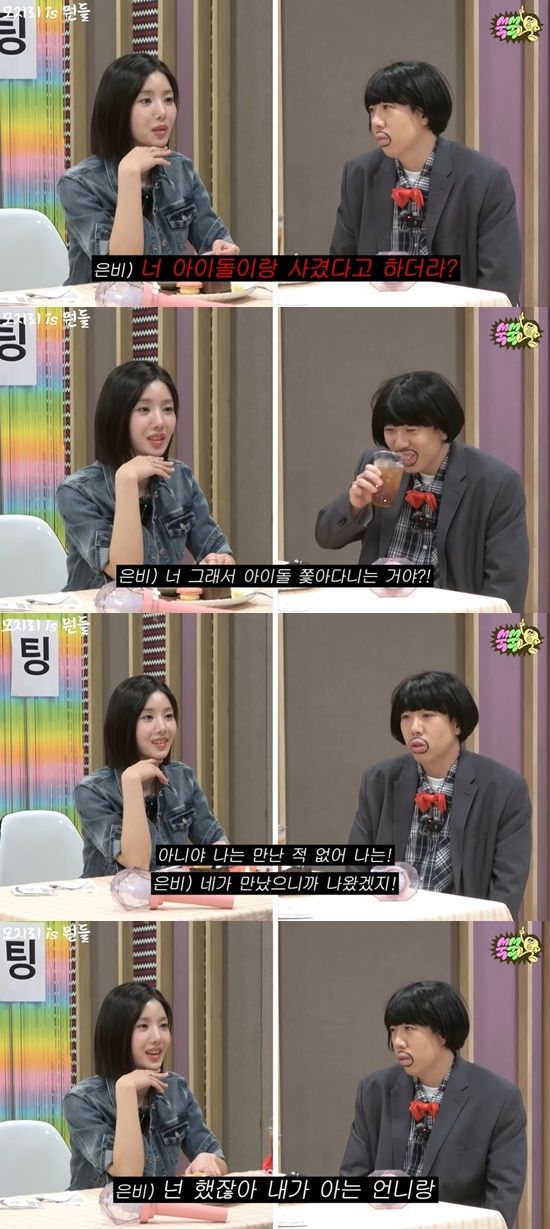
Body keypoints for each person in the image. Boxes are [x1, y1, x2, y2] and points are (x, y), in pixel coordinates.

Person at [315, 370, 529, 610]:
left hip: (449, 618)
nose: (399, 443)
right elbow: (326, 538)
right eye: (390, 430)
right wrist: (354, 505)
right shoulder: (379, 464)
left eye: (411, 431)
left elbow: (506, 587)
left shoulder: (495, 483)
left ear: (442, 430)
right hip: (379, 612)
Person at [340, 980, 526, 1229]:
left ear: (442, 1033)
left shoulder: (498, 1098)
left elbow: (500, 1201)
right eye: (393, 1030)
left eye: (409, 1028)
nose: (398, 1041)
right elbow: (352, 1181)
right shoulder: (374, 1090)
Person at [330, 61, 521, 303]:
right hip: (378, 316)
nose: (376, 121)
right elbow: (341, 269)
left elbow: (499, 284)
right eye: (372, 110)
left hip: (454, 318)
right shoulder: (358, 175)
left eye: (387, 107)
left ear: (423, 114)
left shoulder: (485, 179)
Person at [348, 671, 531, 917]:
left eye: (427, 715)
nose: (414, 728)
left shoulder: (504, 788)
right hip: (389, 920)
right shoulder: (378, 780)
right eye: (406, 717)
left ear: (457, 724)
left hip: (459, 924)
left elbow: (507, 888)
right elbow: (357, 869)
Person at [58, 54, 239, 284]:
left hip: (164, 301)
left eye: (169, 99)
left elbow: (216, 241)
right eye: (146, 101)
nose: (162, 112)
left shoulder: (180, 170)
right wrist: (129, 174)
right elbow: (121, 274)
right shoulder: (79, 184)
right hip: (97, 305)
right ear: (117, 108)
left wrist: (224, 251)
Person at [56, 360, 234, 591]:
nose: (160, 422)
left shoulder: (179, 477)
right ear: (117, 416)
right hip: (97, 611)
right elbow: (126, 573)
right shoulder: (77, 492)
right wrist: (127, 480)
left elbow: (218, 550)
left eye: (168, 409)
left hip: (163, 608)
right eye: (144, 410)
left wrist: (219, 562)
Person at [64, 981, 228, 1188]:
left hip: (156, 1207)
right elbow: (128, 1177)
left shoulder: (175, 1089)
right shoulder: (82, 1101)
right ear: (117, 1033)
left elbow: (218, 1158)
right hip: (97, 1208)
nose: (158, 1037)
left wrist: (209, 1160)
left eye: (163, 1025)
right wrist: (126, 1089)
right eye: (143, 1026)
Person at [74, 675, 228, 876]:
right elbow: (137, 865)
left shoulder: (182, 776)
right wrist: (131, 781)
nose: (162, 728)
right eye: (148, 717)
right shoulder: (92, 791)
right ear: (124, 724)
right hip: (112, 895)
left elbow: (215, 840)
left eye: (168, 716)